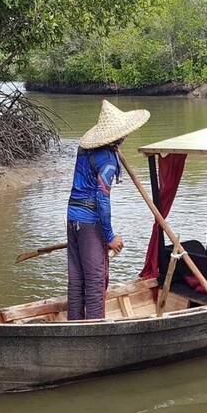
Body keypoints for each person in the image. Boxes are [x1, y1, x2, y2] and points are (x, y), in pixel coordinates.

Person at [67, 100, 150, 320]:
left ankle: (73, 324)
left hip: (72, 217)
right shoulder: (108, 161)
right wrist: (110, 236)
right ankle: (94, 329)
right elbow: (102, 200)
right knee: (96, 280)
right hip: (89, 222)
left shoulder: (84, 148)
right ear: (119, 136)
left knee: (76, 278)